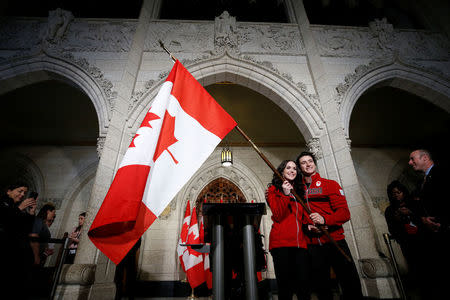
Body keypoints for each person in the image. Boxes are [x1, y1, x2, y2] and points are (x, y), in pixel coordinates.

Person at [296, 151, 363, 300]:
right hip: (313, 245)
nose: (308, 164)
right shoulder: (298, 190)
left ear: (314, 163)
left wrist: (325, 220)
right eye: (303, 162)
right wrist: (307, 226)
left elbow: (344, 213)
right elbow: (297, 216)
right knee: (322, 286)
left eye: (310, 161)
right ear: (300, 167)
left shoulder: (330, 184)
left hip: (335, 240)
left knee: (349, 281)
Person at [265, 160, 310, 300]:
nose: (292, 170)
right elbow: (278, 215)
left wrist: (309, 224)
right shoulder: (273, 190)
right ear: (281, 171)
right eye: (288, 168)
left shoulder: (299, 190)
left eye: (295, 168)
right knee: (286, 288)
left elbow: (302, 216)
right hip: (281, 244)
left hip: (300, 244)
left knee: (304, 287)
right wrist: (285, 194)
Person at [408, 149, 449, 299]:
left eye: (412, 159)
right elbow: (419, 208)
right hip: (431, 235)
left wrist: (443, 223)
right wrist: (423, 220)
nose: (410, 162)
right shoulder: (421, 182)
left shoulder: (442, 173)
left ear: (424, 158)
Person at [0, 181, 37, 299]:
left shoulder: (16, 207)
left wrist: (31, 213)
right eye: (19, 191)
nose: (22, 195)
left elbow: (26, 229)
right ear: (9, 191)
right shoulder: (3, 204)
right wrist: (20, 208)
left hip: (17, 253)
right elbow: (6, 221)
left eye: (24, 193)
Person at [384, 180, 424, 283]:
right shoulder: (390, 210)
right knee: (414, 267)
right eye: (393, 193)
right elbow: (391, 228)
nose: (396, 195)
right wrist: (397, 220)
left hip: (423, 238)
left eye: (399, 192)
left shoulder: (414, 204)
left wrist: (410, 213)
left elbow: (424, 218)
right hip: (407, 242)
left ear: (404, 192)